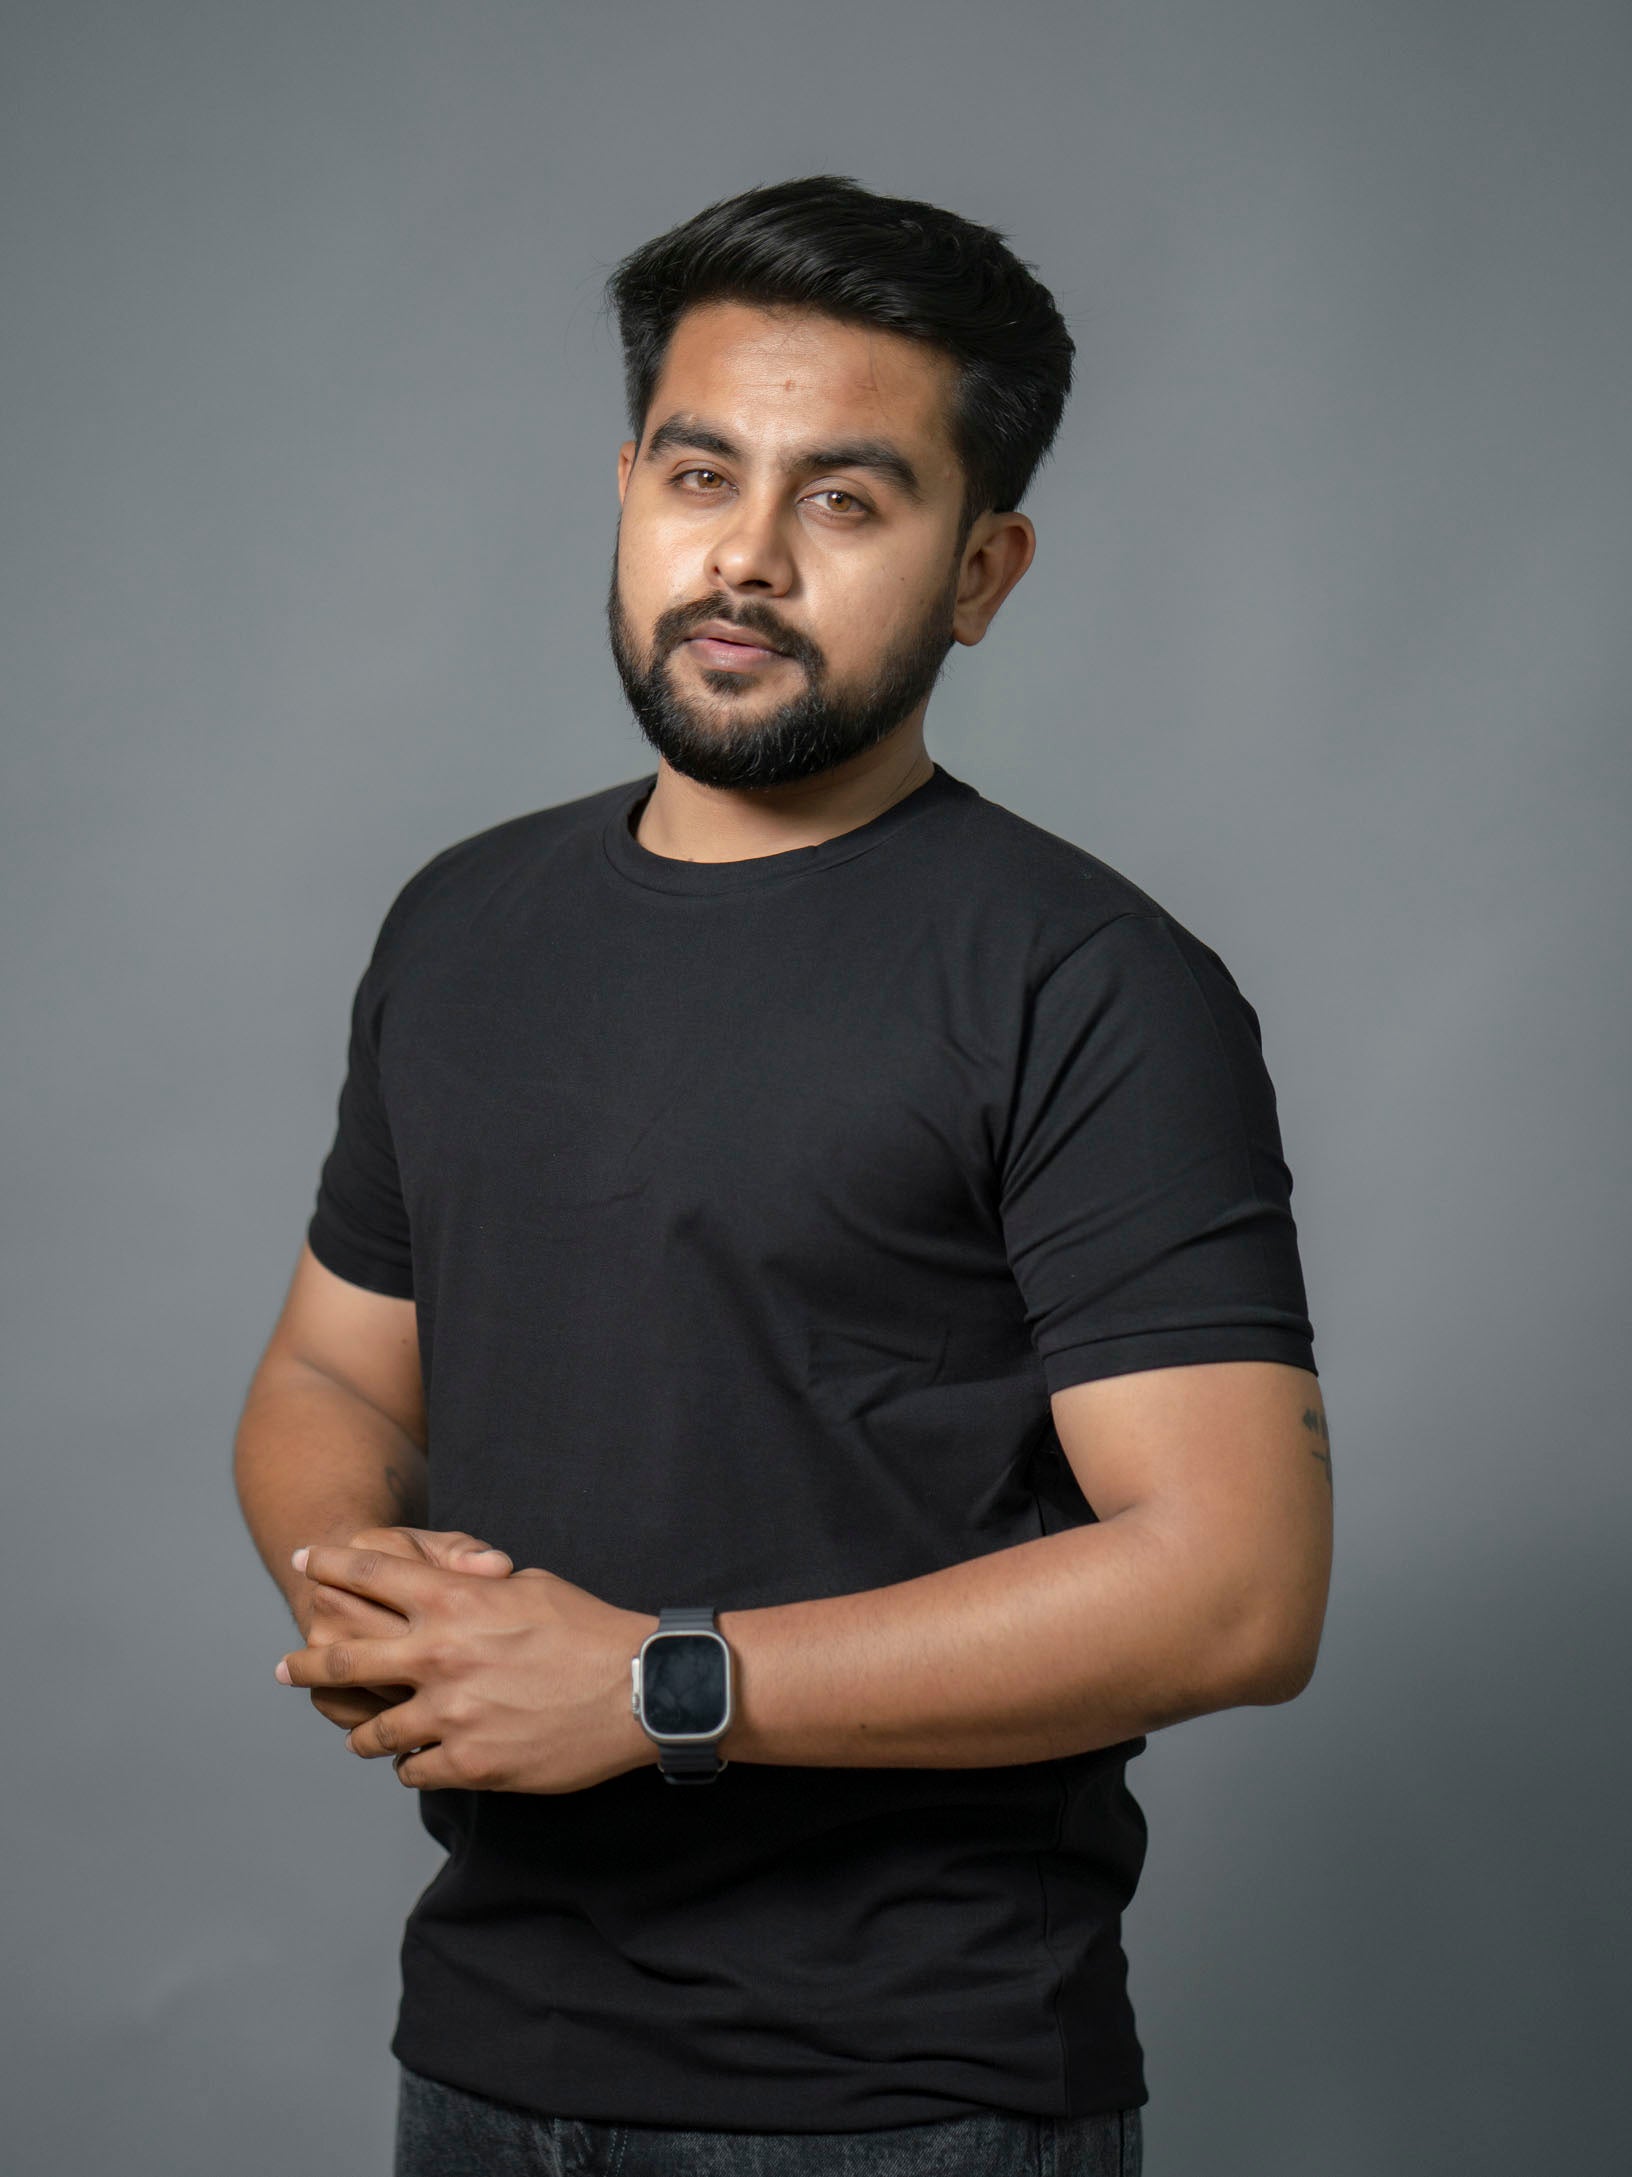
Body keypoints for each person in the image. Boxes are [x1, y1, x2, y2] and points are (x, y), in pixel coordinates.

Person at [235, 173, 1333, 2177]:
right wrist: (379, 1600)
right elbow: (330, 1372)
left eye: (843, 498)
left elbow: (1236, 1585)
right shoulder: (460, 922)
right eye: (698, 474)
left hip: (903, 2101)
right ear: (628, 490)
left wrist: (655, 1686)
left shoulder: (1089, 983)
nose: (742, 556)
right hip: (477, 2054)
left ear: (981, 570)